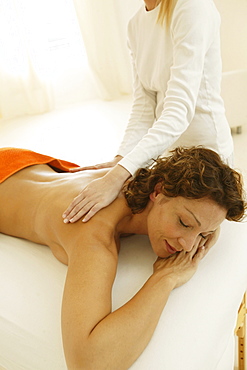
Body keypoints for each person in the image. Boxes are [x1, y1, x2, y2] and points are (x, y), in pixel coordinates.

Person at [0, 146, 245, 369]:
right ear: (158, 192)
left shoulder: (136, 178)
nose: (189, 245)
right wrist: (164, 279)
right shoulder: (94, 235)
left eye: (203, 233)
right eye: (184, 223)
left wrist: (205, 228)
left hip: (25, 163)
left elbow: (207, 211)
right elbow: (87, 362)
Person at [62, 0, 234, 224]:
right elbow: (144, 109)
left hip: (209, 159)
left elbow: (178, 110)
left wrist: (119, 174)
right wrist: (121, 159)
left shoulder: (192, 6)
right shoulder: (135, 25)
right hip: (171, 155)